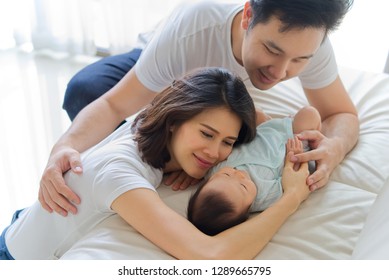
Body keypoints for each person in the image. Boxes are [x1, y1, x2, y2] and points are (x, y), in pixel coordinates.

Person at [39, 0, 359, 217]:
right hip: (164, 65)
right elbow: (113, 104)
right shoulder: (193, 31)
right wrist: (64, 147)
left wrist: (335, 147)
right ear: (247, 16)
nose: (280, 72)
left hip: (214, 96)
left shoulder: (310, 42)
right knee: (86, 90)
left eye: (299, 60)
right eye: (271, 50)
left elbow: (341, 114)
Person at [1, 68, 310, 260]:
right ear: (176, 120)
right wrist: (292, 198)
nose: (215, 152)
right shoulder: (119, 172)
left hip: (26, 221)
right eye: (206, 134)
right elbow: (208, 255)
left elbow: (258, 120)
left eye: (227, 142)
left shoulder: (152, 125)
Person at [187, 106, 321, 235]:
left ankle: (270, 121)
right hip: (290, 140)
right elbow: (293, 180)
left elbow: (205, 164)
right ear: (247, 210)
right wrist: (293, 158)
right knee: (310, 114)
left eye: (226, 174)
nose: (238, 175)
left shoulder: (213, 172)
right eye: (243, 186)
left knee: (254, 112)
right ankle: (298, 128)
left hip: (260, 132)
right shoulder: (265, 196)